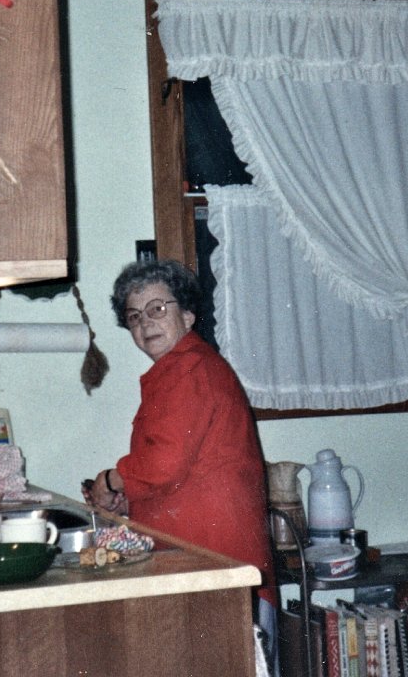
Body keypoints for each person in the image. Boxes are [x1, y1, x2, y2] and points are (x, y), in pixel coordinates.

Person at [84, 259, 278, 669]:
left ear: (187, 314)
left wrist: (111, 480)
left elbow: (163, 464)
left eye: (158, 309)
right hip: (208, 561)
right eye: (134, 316)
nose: (145, 324)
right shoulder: (180, 368)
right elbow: (173, 469)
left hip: (214, 564)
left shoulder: (188, 368)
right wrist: (128, 496)